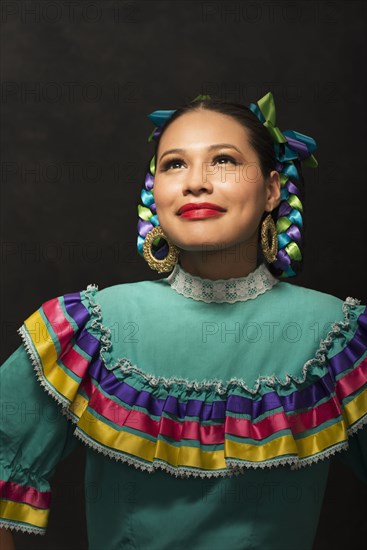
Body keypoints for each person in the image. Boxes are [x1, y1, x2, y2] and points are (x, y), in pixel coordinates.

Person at [1, 92, 366, 550]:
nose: (196, 183)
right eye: (174, 164)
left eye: (224, 161)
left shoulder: (338, 336)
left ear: (272, 188)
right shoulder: (90, 328)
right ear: (155, 190)